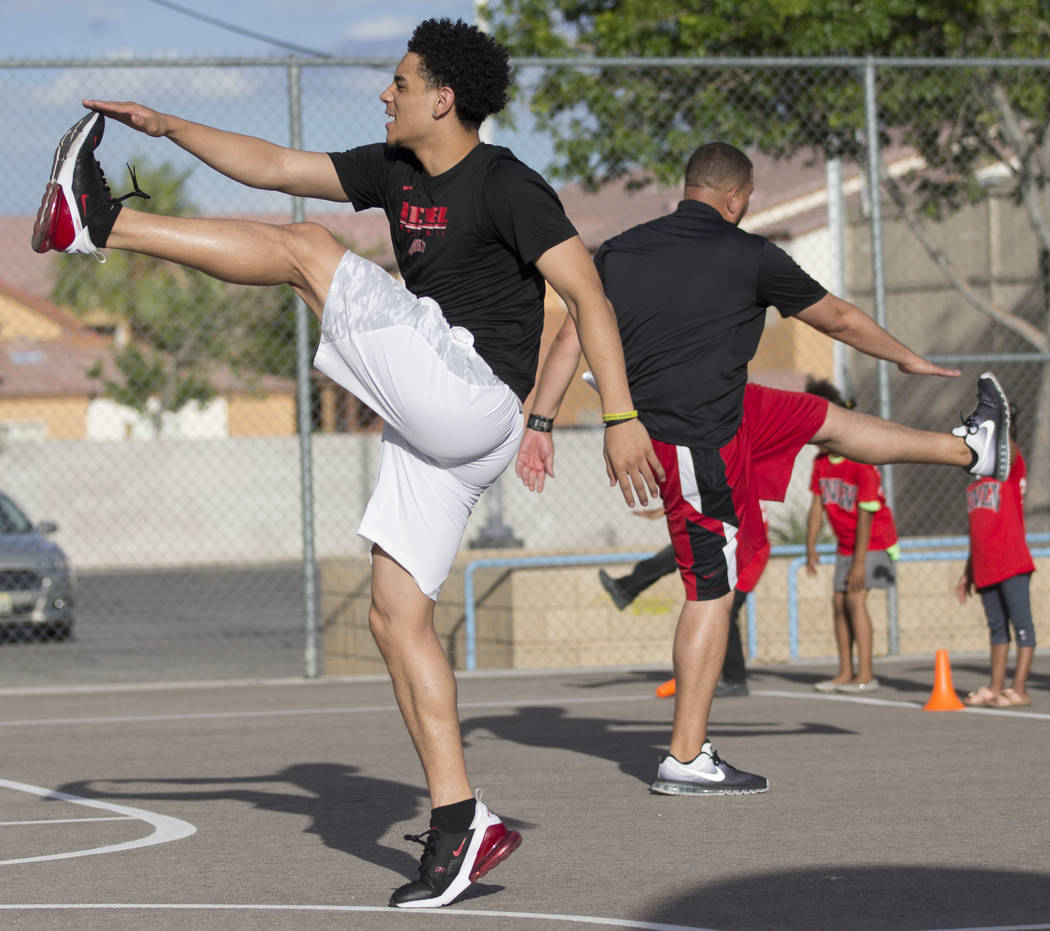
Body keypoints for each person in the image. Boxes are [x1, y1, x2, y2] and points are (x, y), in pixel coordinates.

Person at [31, 18, 663, 908]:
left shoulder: (507, 184)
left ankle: (98, 221)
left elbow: (587, 290)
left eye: (399, 82)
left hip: (474, 392)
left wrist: (621, 413)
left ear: (442, 98)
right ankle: (460, 824)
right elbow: (273, 165)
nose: (385, 92)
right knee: (393, 617)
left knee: (306, 252)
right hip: (436, 427)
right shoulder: (394, 170)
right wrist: (168, 126)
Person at [516, 140, 1011, 797]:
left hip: (730, 408)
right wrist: (907, 359)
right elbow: (835, 317)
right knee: (710, 590)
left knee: (821, 418)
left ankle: (972, 449)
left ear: (686, 187)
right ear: (737, 198)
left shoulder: (621, 250)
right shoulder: (751, 255)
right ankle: (686, 758)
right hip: (689, 435)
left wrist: (541, 422)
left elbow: (570, 335)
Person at [599, 505, 772, 698]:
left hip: (743, 555)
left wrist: (667, 508)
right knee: (685, 547)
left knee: (727, 614)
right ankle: (626, 589)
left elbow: (703, 499)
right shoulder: (739, 483)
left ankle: (735, 679)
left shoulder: (740, 482)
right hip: (732, 550)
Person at [804, 378, 898, 694]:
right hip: (846, 545)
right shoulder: (820, 464)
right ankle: (845, 671)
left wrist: (859, 563)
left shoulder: (860, 459)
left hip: (873, 541)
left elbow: (868, 513)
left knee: (856, 601)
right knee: (838, 601)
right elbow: (817, 506)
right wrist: (810, 546)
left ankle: (866, 674)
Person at [956, 404, 1037, 708]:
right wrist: (968, 571)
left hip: (1011, 561)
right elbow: (977, 532)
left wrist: (999, 424)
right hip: (985, 566)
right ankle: (995, 686)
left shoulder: (1010, 467)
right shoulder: (977, 483)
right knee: (997, 629)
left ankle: (1019, 689)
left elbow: (1009, 448)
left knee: (1022, 624)